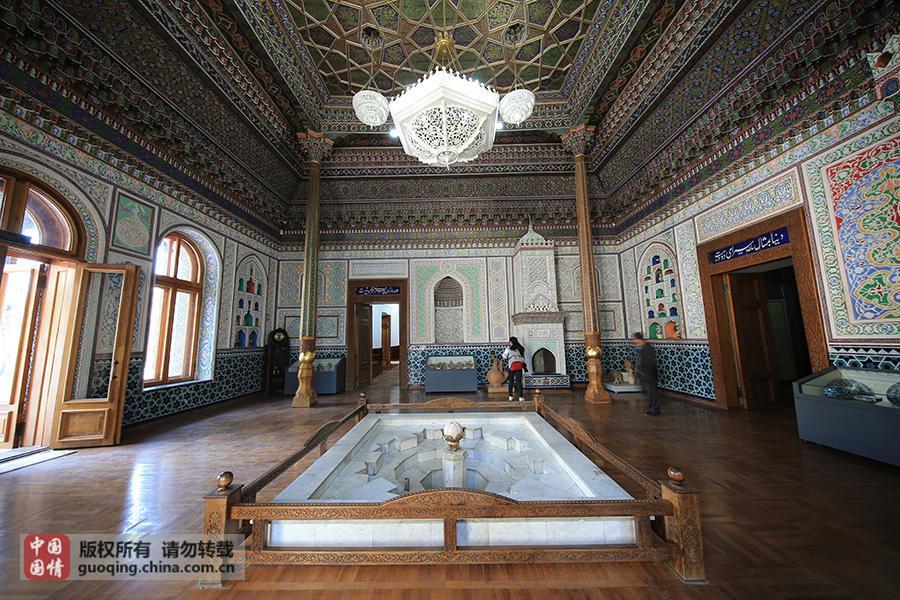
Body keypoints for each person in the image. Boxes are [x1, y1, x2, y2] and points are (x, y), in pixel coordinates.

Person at [631, 332, 660, 415]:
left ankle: (654, 409)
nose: (634, 341)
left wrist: (643, 370)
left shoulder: (648, 348)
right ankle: (652, 409)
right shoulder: (643, 348)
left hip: (649, 375)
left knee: (652, 393)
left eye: (634, 339)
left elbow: (649, 363)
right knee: (649, 392)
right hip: (645, 375)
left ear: (639, 339)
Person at [501, 336, 527, 402]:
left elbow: (504, 356)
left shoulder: (508, 348)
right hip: (519, 366)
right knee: (519, 382)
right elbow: (523, 358)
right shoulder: (521, 348)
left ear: (511, 342)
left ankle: (510, 396)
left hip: (512, 366)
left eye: (509, 342)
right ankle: (521, 397)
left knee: (511, 381)